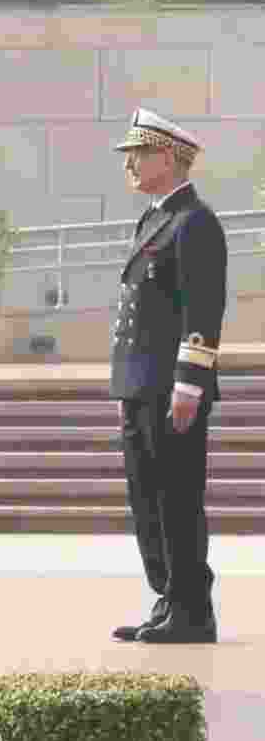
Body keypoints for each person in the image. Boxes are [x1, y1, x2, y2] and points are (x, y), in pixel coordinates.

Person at [109, 108, 227, 645]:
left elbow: (202, 310)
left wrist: (189, 383)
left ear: (169, 158)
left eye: (138, 154)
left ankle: (192, 611)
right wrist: (125, 386)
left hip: (171, 388)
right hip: (139, 386)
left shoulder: (195, 222)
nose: (129, 165)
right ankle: (168, 599)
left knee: (176, 497)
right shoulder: (153, 220)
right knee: (146, 498)